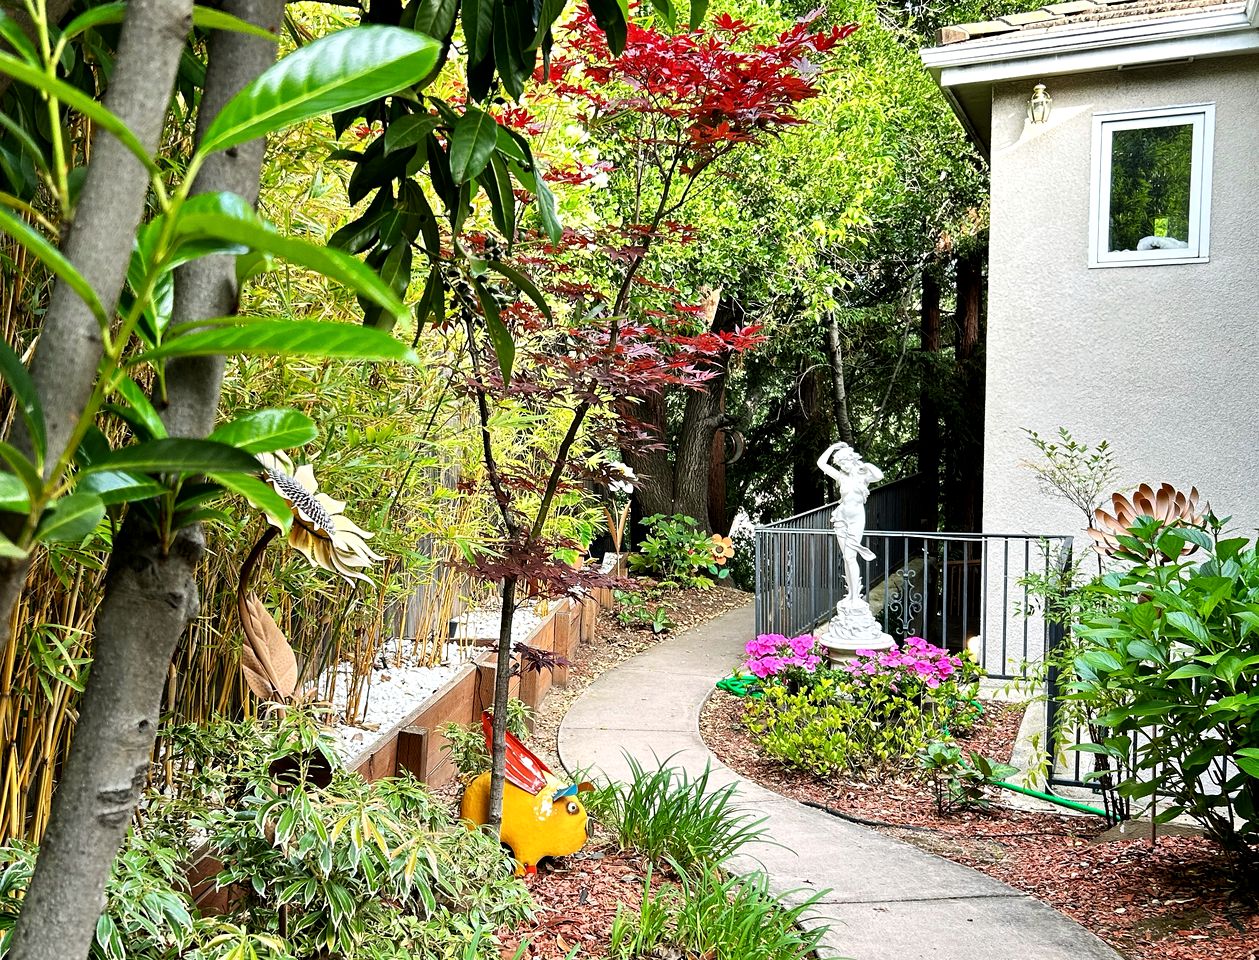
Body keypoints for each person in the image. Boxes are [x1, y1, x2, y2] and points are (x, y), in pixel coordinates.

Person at [816, 442, 884, 602]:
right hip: (841, 518)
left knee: (850, 555)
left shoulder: (863, 476)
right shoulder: (841, 477)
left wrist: (866, 465)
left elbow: (879, 476)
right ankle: (851, 594)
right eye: (840, 464)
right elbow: (821, 463)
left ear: (851, 459)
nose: (843, 467)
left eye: (844, 463)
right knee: (847, 558)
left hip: (856, 520)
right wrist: (832, 447)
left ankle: (855, 596)